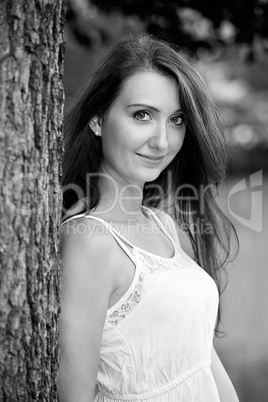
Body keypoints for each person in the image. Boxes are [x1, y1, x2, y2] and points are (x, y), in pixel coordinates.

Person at [58, 34, 239, 402]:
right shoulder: (89, 242)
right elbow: (74, 395)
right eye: (142, 115)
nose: (162, 140)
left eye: (176, 120)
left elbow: (201, 359)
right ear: (97, 119)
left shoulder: (162, 225)